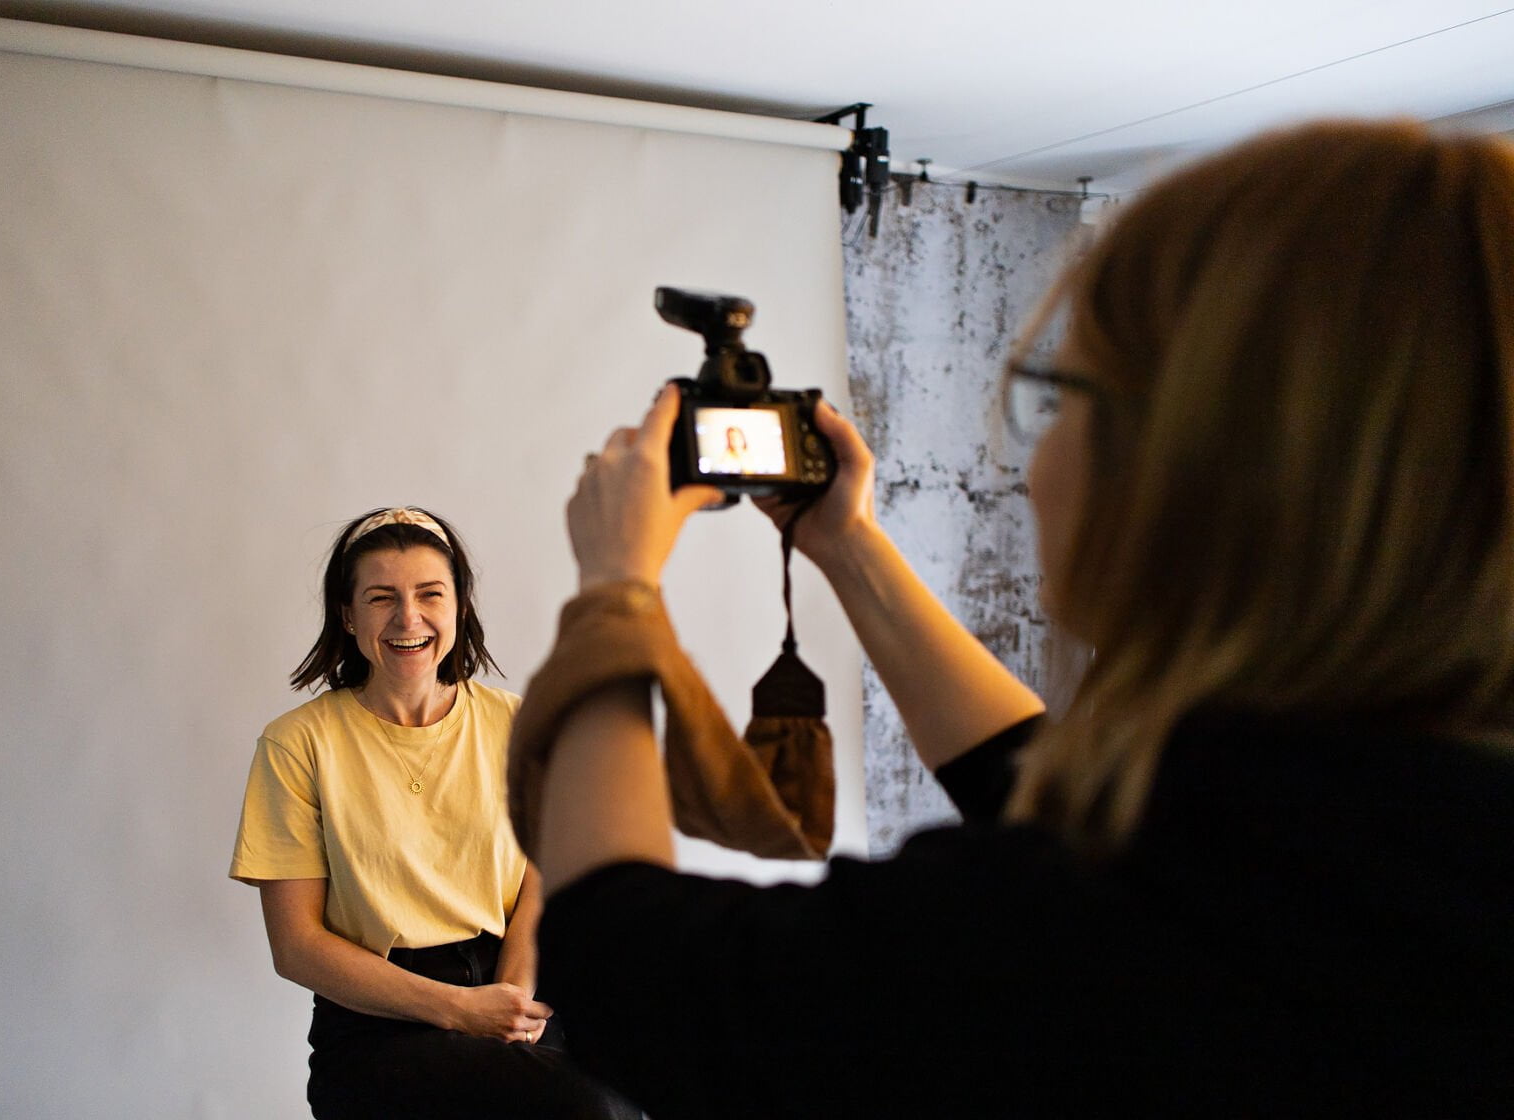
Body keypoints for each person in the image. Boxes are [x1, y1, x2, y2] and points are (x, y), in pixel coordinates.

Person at [520, 120, 1514, 1117]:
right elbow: (1041, 786)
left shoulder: (1121, 928)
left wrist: (615, 589)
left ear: (1192, 459)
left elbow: (626, 969)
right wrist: (847, 545)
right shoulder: (1372, 833)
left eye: (1062, 397)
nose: (1033, 465)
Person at [230, 506, 635, 1119]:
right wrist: (460, 1010)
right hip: (376, 1023)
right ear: (347, 614)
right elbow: (297, 946)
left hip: (512, 984)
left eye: (429, 594)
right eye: (381, 598)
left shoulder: (517, 724)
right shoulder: (297, 744)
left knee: (640, 1081)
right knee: (588, 1109)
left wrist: (511, 999)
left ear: (460, 607)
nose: (408, 618)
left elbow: (544, 876)